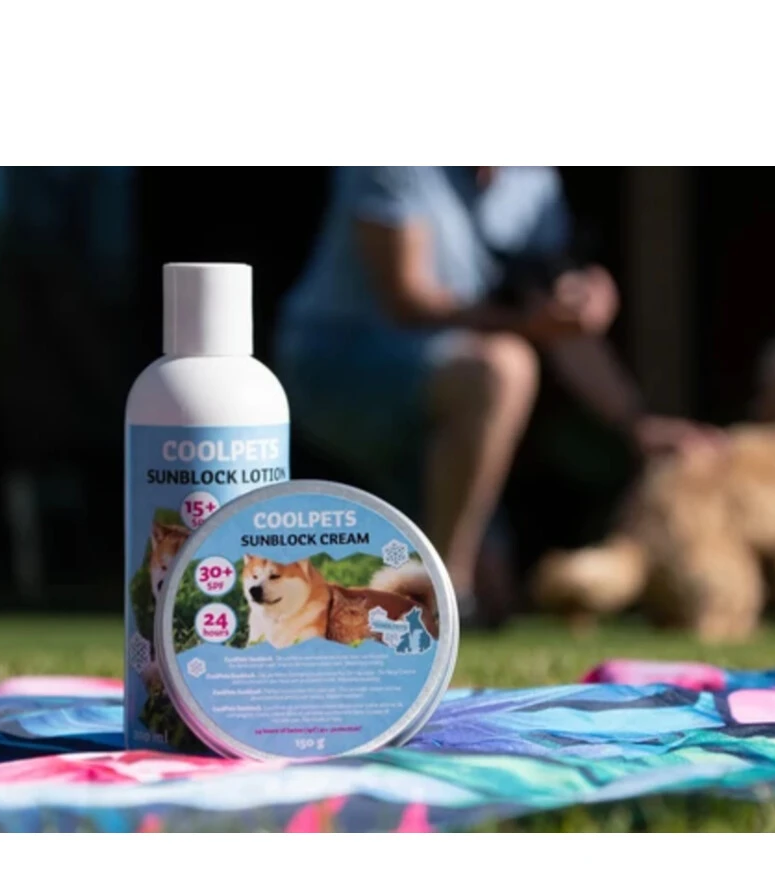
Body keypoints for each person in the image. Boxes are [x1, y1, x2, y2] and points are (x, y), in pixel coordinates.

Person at [274, 167, 719, 627]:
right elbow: (407, 299)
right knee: (504, 365)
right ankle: (444, 595)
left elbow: (556, 322)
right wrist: (530, 324)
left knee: (498, 599)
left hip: (450, 387)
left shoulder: (534, 183)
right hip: (340, 374)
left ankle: (446, 590)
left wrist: (636, 422)